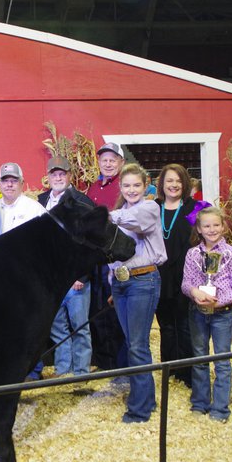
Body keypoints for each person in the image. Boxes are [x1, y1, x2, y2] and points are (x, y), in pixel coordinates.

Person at [109, 163, 167, 423]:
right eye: (126, 185)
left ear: (146, 187)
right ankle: (148, 399)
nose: (131, 190)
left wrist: (104, 216)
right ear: (120, 187)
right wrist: (114, 279)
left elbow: (135, 222)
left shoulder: (149, 208)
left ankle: (140, 409)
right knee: (133, 342)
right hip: (121, 283)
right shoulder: (119, 212)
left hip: (143, 280)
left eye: (136, 185)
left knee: (137, 344)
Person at [28, 157, 95, 379]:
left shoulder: (82, 202)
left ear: (69, 176)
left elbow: (88, 242)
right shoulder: (40, 201)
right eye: (54, 174)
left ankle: (81, 373)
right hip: (51, 279)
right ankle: (63, 370)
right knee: (57, 328)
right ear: (48, 177)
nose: (58, 177)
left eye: (62, 174)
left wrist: (81, 274)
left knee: (80, 327)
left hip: (74, 277)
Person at [182, 206, 232, 423]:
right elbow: (186, 283)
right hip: (198, 312)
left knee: (222, 360)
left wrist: (219, 300)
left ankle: (220, 408)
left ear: (223, 226)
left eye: (216, 225)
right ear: (199, 229)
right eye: (207, 226)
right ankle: (200, 403)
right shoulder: (193, 254)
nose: (212, 229)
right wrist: (195, 292)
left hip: (222, 314)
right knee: (199, 357)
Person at [154, 164, 196, 387]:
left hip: (186, 276)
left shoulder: (194, 208)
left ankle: (187, 372)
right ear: (161, 184)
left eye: (178, 181)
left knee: (184, 326)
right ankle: (168, 368)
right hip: (160, 276)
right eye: (169, 180)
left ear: (185, 183)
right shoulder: (153, 207)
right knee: (166, 326)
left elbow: (207, 234)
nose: (173, 185)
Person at [87, 141, 127, 370]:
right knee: (97, 308)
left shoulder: (125, 186)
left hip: (115, 258)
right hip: (95, 256)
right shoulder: (93, 188)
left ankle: (118, 361)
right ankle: (102, 359)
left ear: (121, 162)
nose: (108, 163)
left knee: (115, 307)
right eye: (104, 160)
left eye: (113, 159)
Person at [0, 162, 45, 232]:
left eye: (14, 181)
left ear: (22, 183)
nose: (9, 184)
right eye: (5, 181)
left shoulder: (35, 209)